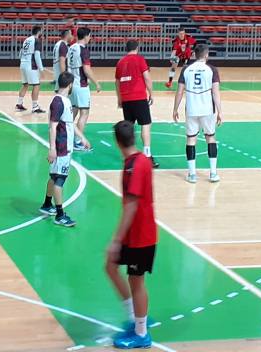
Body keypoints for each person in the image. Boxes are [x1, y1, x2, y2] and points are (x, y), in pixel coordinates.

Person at [106, 120, 157, 350]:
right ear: (134, 137)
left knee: (136, 281)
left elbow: (132, 206)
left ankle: (141, 332)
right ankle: (135, 317)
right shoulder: (135, 161)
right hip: (133, 233)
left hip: (141, 235)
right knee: (111, 267)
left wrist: (116, 240)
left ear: (117, 142)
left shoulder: (136, 165)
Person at [173, 44, 222, 183]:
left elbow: (180, 91)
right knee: (210, 138)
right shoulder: (212, 70)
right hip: (208, 109)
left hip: (191, 109)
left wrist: (175, 109)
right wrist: (220, 111)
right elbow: (216, 92)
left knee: (191, 140)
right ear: (206, 55)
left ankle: (192, 174)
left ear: (194, 55)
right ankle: (213, 173)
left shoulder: (186, 69)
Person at [40, 72, 77, 227]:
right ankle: (60, 215)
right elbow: (52, 127)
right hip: (61, 148)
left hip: (64, 146)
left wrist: (82, 138)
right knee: (59, 179)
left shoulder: (65, 101)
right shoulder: (58, 102)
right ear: (70, 85)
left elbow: (69, 124)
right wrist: (52, 149)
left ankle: (47, 204)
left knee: (54, 176)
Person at [115, 39, 159, 168]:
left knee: (129, 127)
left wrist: (119, 98)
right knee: (146, 124)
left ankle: (129, 157)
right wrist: (151, 93)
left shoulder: (120, 62)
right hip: (139, 97)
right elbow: (147, 77)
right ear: (137, 48)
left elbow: (117, 82)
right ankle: (147, 155)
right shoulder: (140, 60)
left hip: (126, 98)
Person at [67, 27, 101, 151]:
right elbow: (86, 70)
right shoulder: (83, 50)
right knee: (84, 113)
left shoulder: (71, 47)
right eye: (90, 35)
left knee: (73, 112)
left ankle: (66, 137)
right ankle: (78, 141)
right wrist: (96, 83)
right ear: (86, 36)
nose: (90, 38)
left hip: (71, 84)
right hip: (81, 86)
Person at [17, 25, 45, 113]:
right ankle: (35, 107)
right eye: (42, 31)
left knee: (25, 84)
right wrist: (41, 69)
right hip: (30, 64)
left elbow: (20, 53)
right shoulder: (37, 40)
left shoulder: (26, 40)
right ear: (39, 32)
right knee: (36, 85)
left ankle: (19, 104)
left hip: (23, 63)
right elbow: (37, 56)